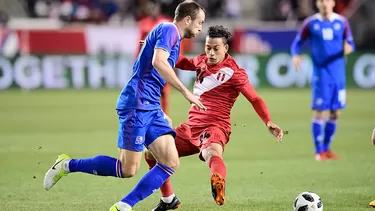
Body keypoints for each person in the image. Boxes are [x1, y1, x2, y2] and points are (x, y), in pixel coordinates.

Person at [43, 1, 206, 211]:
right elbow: (158, 61)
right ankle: (66, 165)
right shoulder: (169, 29)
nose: (201, 27)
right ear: (188, 19)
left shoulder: (169, 35)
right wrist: (186, 92)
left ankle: (124, 206)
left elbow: (154, 56)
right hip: (137, 103)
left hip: (150, 105)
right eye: (200, 22)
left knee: (170, 161)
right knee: (127, 169)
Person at [142, 25, 286, 210]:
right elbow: (185, 62)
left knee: (210, 153)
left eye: (215, 49)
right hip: (191, 127)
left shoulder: (235, 73)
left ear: (225, 48)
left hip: (215, 126)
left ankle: (218, 183)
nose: (210, 53)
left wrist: (268, 121)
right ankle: (169, 199)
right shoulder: (202, 60)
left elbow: (255, 98)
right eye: (208, 47)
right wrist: (158, 50)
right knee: (151, 152)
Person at [291, 0, 355, 161]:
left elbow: (351, 42)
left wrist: (349, 47)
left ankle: (326, 149)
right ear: (317, 4)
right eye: (321, 1)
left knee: (335, 112)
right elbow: (297, 42)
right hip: (321, 73)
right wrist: (296, 55)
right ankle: (318, 151)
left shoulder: (342, 21)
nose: (324, 3)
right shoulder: (311, 23)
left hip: (338, 74)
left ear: (333, 3)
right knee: (320, 110)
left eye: (327, 0)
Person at [136, 0, 173, 115]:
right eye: (150, 8)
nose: (153, 10)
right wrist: (137, 59)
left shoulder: (166, 22)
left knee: (164, 91)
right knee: (147, 90)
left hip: (162, 60)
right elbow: (140, 43)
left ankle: (165, 115)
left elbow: (173, 42)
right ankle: (150, 114)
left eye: (155, 7)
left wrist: (173, 59)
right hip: (148, 62)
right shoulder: (144, 23)